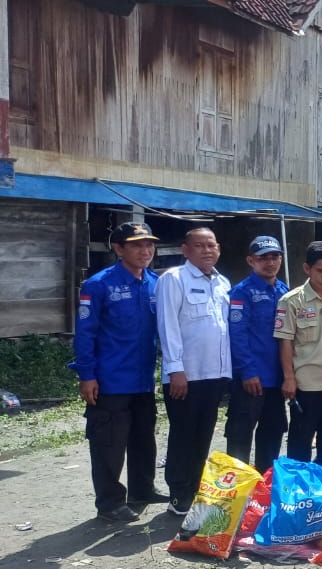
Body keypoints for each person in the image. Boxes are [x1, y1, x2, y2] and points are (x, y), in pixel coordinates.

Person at [72, 221, 164, 522]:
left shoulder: (154, 283)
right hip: (110, 380)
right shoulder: (99, 284)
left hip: (143, 378)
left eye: (149, 244)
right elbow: (85, 333)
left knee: (143, 437)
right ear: (119, 248)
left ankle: (142, 489)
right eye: (137, 244)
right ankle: (110, 503)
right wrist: (87, 375)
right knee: (109, 443)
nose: (145, 250)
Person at [156, 227, 231, 516]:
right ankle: (178, 492)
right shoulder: (174, 279)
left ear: (219, 249)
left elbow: (223, 331)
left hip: (214, 374)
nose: (207, 250)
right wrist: (175, 369)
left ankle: (196, 487)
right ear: (185, 250)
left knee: (204, 434)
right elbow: (168, 326)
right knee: (183, 434)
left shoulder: (223, 283)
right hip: (186, 376)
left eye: (211, 245)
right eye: (199, 246)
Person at [275, 241, 322, 462]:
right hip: (306, 383)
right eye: (320, 271)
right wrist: (289, 378)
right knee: (301, 438)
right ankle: (300, 488)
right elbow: (285, 341)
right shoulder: (291, 301)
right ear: (307, 269)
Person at [225, 235, 289, 472]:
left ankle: (265, 484)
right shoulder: (242, 293)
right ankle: (236, 489)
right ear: (251, 261)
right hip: (251, 379)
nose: (270, 263)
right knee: (240, 434)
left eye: (275, 257)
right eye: (263, 258)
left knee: (273, 432)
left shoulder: (284, 291)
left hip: (277, 379)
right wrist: (248, 372)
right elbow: (237, 335)